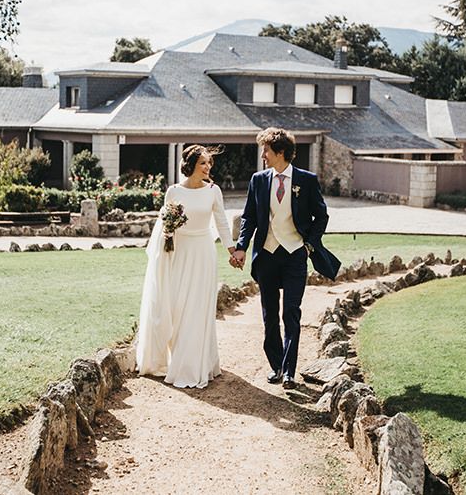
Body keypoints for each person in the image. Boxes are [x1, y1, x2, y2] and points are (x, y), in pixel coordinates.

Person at [232, 128, 340, 389]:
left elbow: (321, 216)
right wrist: (241, 247)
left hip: (295, 256)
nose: (263, 155)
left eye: (266, 150)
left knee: (291, 312)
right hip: (267, 255)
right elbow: (249, 217)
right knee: (269, 315)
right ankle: (277, 365)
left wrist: (309, 247)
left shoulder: (307, 179)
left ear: (280, 152)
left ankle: (290, 371)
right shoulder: (258, 180)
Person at [136, 145, 236, 388]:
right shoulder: (173, 191)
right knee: (178, 306)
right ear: (191, 165)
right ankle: (172, 357)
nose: (208, 167)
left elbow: (222, 222)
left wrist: (232, 250)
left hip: (203, 252)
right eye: (203, 163)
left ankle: (194, 364)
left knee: (197, 307)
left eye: (209, 163)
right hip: (178, 253)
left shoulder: (213, 191)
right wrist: (167, 238)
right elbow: (164, 225)